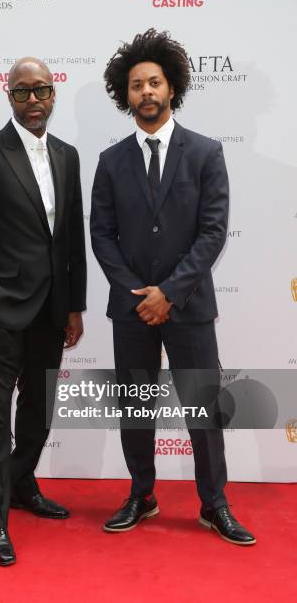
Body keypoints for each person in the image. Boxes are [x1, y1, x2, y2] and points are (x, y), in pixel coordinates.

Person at [90, 29, 255, 545]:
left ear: (172, 87)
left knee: (203, 410)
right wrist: (140, 293)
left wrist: (172, 291)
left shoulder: (206, 153)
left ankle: (214, 504)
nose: (146, 92)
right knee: (136, 407)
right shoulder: (111, 160)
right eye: (136, 84)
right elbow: (101, 234)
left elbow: (212, 232)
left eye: (154, 82)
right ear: (125, 93)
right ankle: (142, 494)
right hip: (132, 309)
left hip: (189, 308)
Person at [0, 57, 86, 565]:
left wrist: (75, 307)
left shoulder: (68, 156)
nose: (33, 101)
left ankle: (22, 484)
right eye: (22, 92)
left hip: (52, 310)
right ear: (8, 96)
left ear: (54, 95)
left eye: (42, 91)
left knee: (37, 408)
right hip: (0, 310)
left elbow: (71, 239)